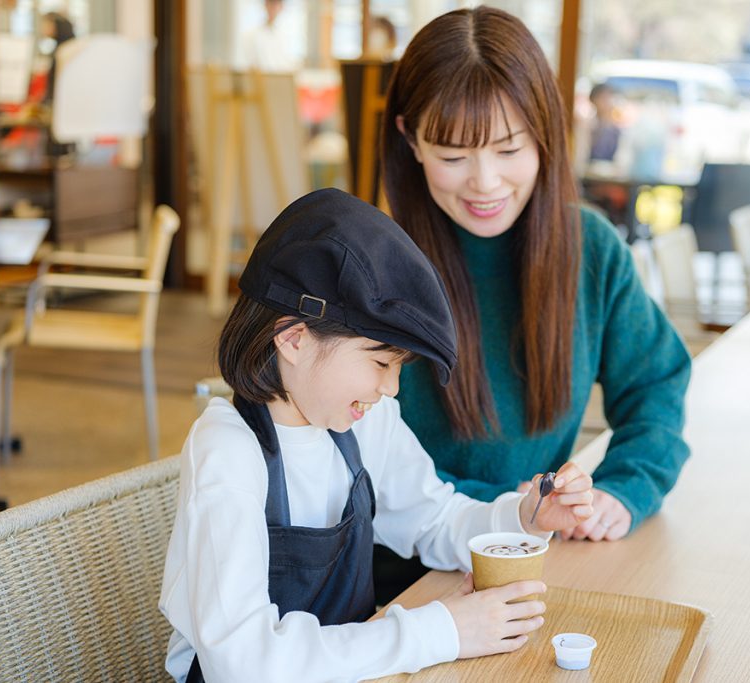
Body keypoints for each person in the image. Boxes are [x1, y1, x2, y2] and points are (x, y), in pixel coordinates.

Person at [158, 188, 594, 683]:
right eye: (381, 362)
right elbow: (243, 663)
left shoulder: (365, 423)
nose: (391, 388)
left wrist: (524, 519)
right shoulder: (228, 450)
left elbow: (432, 520)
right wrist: (439, 630)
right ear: (293, 339)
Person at [376, 6, 691, 601]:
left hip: (538, 560)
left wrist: (624, 489)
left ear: (544, 132)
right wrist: (510, 511)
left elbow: (656, 384)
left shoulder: (589, 249)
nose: (485, 182)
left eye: (508, 149)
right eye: (453, 156)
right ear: (410, 139)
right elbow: (359, 465)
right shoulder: (372, 266)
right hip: (400, 580)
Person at [236, 0, 299, 72]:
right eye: (271, 3)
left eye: (277, 4)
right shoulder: (251, 36)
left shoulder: (285, 35)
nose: (274, 7)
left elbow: (286, 65)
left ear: (281, 7)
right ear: (265, 4)